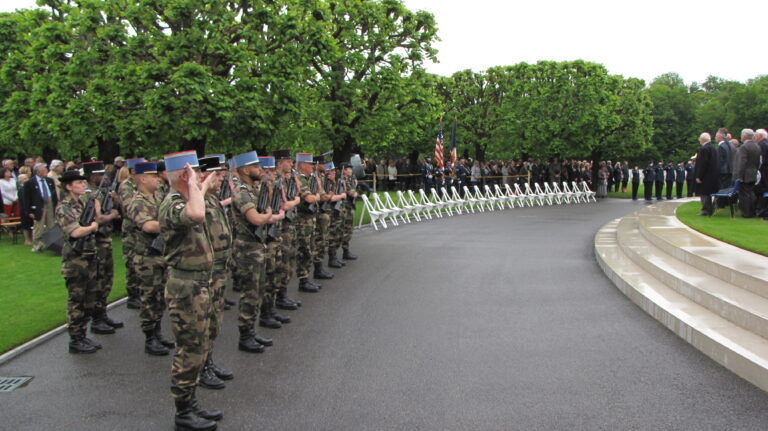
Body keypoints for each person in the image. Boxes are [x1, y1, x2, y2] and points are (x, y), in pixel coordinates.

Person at [158, 151, 222, 431]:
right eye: (195, 172)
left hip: (198, 285)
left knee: (201, 345)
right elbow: (196, 213)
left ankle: (191, 402)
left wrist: (202, 184)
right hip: (185, 288)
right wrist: (196, 184)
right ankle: (182, 411)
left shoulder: (186, 197)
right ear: (185, 175)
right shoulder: (172, 203)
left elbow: (199, 203)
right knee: (189, 350)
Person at [230, 151, 276, 352]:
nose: (261, 170)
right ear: (246, 169)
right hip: (247, 249)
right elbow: (256, 219)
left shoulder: (254, 190)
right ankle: (245, 336)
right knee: (250, 294)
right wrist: (266, 215)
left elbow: (267, 208)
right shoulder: (242, 193)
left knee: (258, 291)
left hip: (257, 246)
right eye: (256, 167)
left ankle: (252, 331)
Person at [126, 161, 173, 356]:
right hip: (146, 257)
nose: (157, 179)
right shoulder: (137, 201)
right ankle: (150, 337)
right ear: (143, 179)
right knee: (149, 298)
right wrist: (172, 223)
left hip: (160, 255)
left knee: (160, 298)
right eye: (153, 176)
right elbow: (148, 226)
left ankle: (158, 331)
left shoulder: (157, 196)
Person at [196, 155, 234, 390]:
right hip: (205, 272)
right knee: (203, 323)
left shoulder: (212, 199)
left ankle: (209, 362)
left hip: (219, 269)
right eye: (216, 176)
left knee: (214, 322)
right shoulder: (198, 201)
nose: (221, 179)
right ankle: (200, 369)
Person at [56, 170, 103, 354]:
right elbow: (74, 232)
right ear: (68, 186)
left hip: (89, 256)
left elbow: (95, 220)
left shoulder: (83, 203)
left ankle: (82, 334)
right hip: (76, 260)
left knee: (89, 299)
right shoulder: (64, 207)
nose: (83, 185)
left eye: (84, 183)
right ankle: (75, 339)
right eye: (78, 183)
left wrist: (97, 212)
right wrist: (92, 227)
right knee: (77, 300)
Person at [81, 161, 123, 334]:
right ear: (92, 177)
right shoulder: (87, 196)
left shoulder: (104, 193)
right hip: (94, 243)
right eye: (100, 175)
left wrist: (116, 202)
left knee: (107, 279)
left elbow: (118, 210)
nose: (104, 178)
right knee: (97, 281)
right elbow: (97, 220)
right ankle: (96, 318)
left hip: (105, 240)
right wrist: (112, 214)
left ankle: (102, 313)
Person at [272, 149, 302, 310]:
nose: (291, 164)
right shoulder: (276, 181)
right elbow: (285, 204)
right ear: (279, 162)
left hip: (288, 227)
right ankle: (279, 298)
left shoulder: (287, 180)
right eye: (288, 161)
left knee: (288, 262)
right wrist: (297, 199)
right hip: (279, 229)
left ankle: (283, 295)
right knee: (281, 264)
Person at [119, 157, 146, 309]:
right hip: (131, 230)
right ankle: (133, 295)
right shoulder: (127, 186)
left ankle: (140, 291)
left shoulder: (139, 185)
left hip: (140, 230)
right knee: (131, 262)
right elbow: (129, 207)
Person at [23, 163, 58, 253]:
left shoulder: (50, 180)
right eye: (44, 170)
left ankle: (51, 245)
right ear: (38, 172)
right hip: (38, 206)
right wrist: (29, 211)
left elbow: (53, 193)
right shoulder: (29, 183)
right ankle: (37, 246)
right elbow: (26, 198)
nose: (46, 172)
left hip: (50, 204)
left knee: (51, 225)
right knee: (39, 226)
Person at [732, 129, 761, 218]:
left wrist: (740, 176)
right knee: (750, 193)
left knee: (744, 195)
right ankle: (752, 212)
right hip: (753, 172)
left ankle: (746, 213)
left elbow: (742, 162)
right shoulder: (756, 146)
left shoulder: (744, 147)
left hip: (745, 174)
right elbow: (758, 162)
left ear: (744, 136)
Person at [694, 132, 720, 216]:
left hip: (706, 176)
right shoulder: (713, 148)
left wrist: (699, 176)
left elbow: (703, 164)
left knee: (704, 193)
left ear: (702, 139)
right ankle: (710, 209)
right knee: (708, 193)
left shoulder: (704, 149)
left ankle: (706, 210)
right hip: (713, 175)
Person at [340, 163, 359, 261]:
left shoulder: (349, 180)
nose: (350, 171)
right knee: (346, 230)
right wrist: (356, 189)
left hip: (349, 207)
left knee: (348, 229)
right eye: (348, 169)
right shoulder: (343, 180)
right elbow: (352, 193)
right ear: (344, 170)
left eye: (351, 169)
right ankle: (345, 251)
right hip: (345, 208)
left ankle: (346, 251)